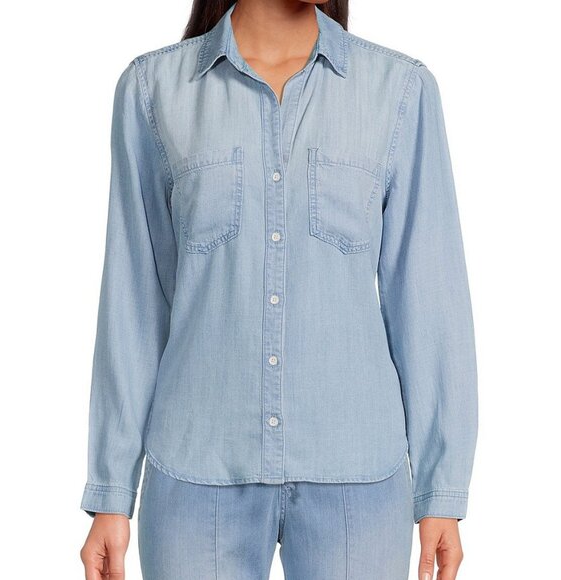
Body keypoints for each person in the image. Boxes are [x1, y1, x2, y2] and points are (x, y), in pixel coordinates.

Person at [79, 1, 478, 579]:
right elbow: (133, 299)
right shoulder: (153, 89)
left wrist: (441, 489)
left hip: (357, 476)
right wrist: (112, 491)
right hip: (197, 472)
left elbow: (429, 298)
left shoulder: (399, 90)